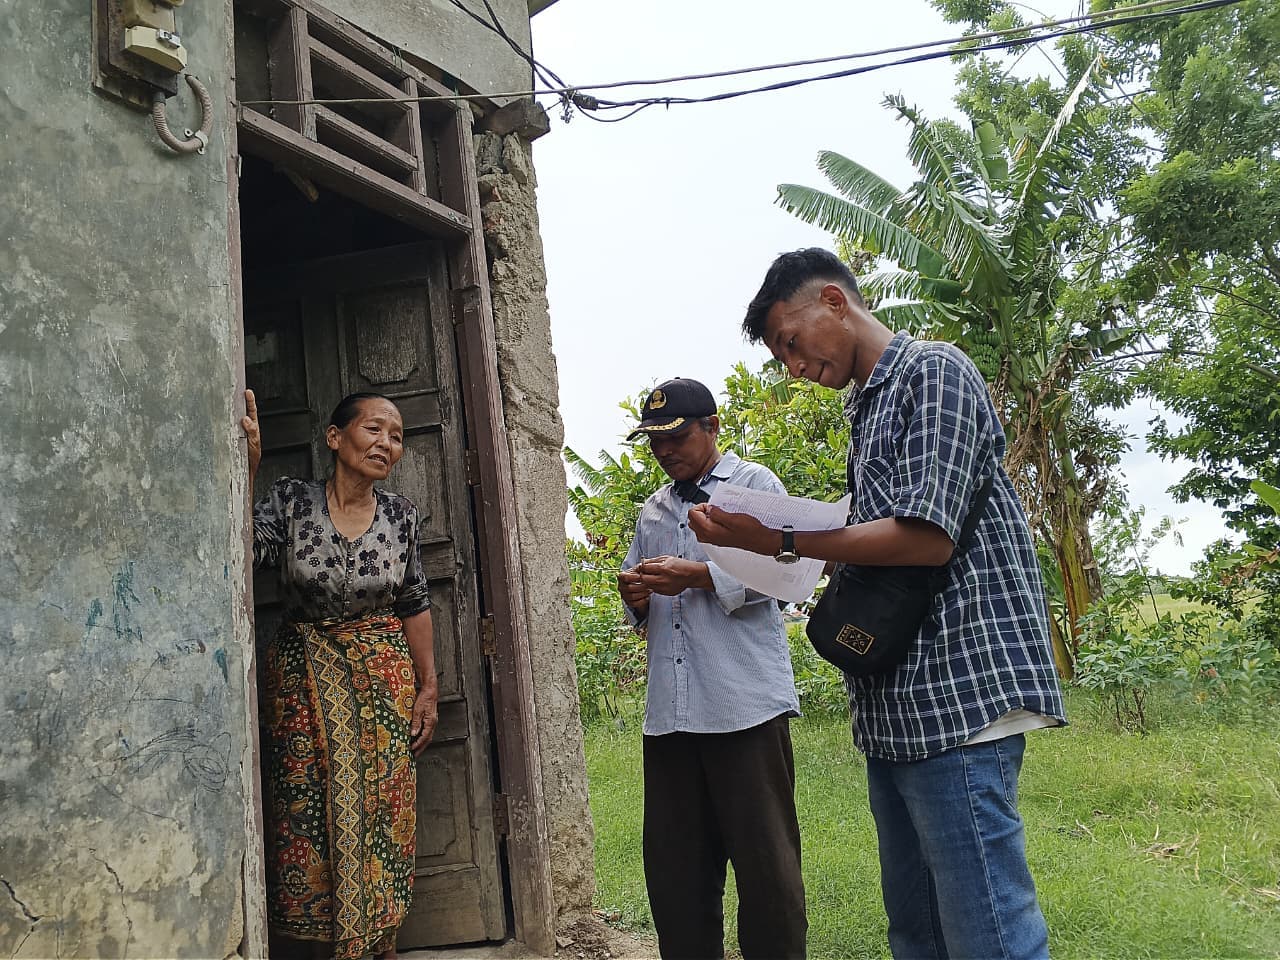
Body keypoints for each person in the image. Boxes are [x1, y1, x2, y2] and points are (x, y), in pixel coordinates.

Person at [688, 248, 1067, 960]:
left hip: (960, 698)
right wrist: (768, 546)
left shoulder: (934, 370)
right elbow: (870, 543)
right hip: (898, 709)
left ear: (834, 301)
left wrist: (777, 536)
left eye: (792, 344)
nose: (795, 368)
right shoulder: (870, 403)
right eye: (782, 357)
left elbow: (925, 539)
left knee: (987, 934)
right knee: (916, 936)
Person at [241, 389, 438, 960]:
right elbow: (247, 552)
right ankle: (309, 946)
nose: (387, 443)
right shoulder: (294, 502)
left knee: (383, 809)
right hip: (304, 681)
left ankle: (377, 944)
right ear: (336, 437)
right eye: (374, 429)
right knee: (305, 810)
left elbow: (415, 599)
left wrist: (427, 687)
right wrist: (249, 467)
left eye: (396, 436)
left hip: (383, 680)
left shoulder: (400, 516)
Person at [615, 377, 807, 960]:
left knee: (767, 871)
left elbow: (789, 574)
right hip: (672, 716)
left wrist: (696, 576)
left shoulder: (753, 486)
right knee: (678, 876)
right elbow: (643, 609)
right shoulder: (653, 508)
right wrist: (638, 593)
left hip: (743, 707)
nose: (665, 450)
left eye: (676, 437)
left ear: (712, 427)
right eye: (654, 441)